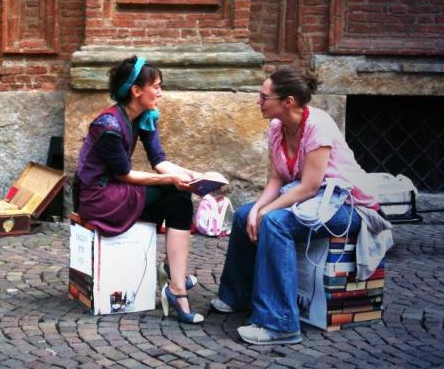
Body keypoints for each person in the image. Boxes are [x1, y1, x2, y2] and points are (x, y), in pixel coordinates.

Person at [211, 66, 392, 345]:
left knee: (275, 223)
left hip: (349, 207)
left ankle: (281, 323)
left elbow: (309, 186)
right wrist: (257, 209)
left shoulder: (318, 126)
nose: (259, 102)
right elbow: (277, 178)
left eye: (264, 97)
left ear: (288, 101)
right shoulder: (277, 127)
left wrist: (267, 212)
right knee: (245, 215)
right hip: (314, 202)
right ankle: (237, 296)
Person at [76, 56, 206, 324]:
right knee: (177, 194)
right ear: (136, 90)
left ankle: (175, 282)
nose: (160, 92)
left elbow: (159, 160)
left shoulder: (145, 117)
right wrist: (171, 180)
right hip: (100, 198)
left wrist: (191, 175)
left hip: (120, 192)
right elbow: (124, 174)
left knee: (180, 200)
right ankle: (175, 282)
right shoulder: (108, 126)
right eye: (156, 86)